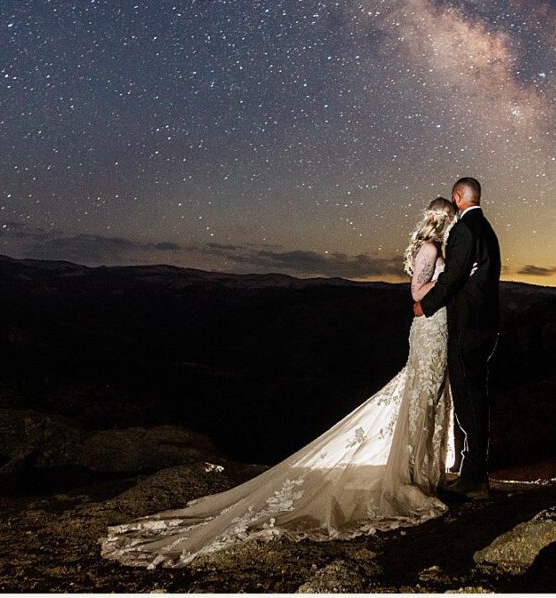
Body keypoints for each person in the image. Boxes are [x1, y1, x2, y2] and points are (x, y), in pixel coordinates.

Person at [100, 198, 458, 568]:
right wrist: (446, 282)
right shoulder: (430, 248)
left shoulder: (438, 248)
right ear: (442, 220)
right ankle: (408, 474)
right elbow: (415, 293)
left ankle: (420, 470)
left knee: (428, 395)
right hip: (429, 330)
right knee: (419, 394)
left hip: (437, 328)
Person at [413, 176, 500, 500]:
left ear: (457, 197)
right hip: (486, 324)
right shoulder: (487, 228)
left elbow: (452, 278)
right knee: (474, 396)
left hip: (468, 327)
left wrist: (426, 306)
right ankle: (474, 472)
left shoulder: (465, 230)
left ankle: (474, 477)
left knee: (469, 400)